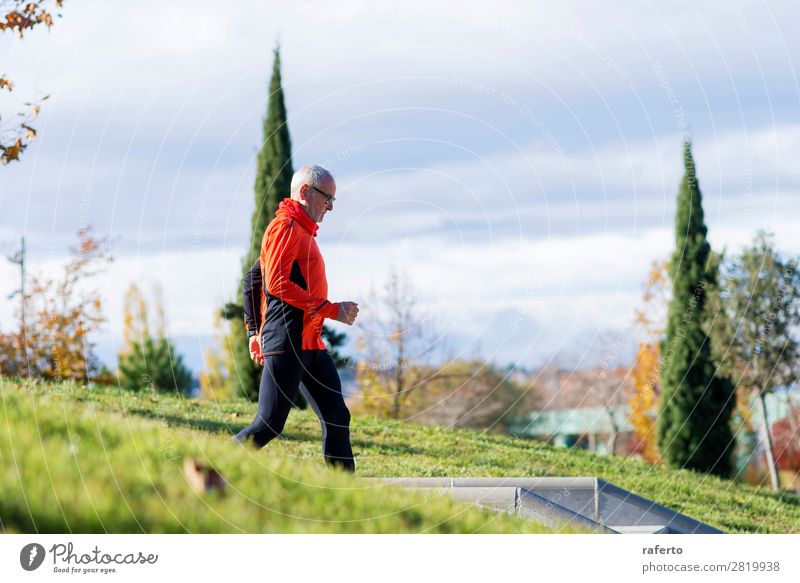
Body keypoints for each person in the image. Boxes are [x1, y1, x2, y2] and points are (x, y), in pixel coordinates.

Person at [232, 165, 359, 472]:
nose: (329, 207)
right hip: (288, 342)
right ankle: (211, 471)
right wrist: (332, 309)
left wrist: (252, 330)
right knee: (269, 424)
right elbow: (273, 283)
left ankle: (344, 494)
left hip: (310, 343)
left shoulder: (299, 230)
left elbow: (253, 279)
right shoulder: (285, 227)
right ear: (305, 192)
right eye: (326, 198)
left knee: (337, 416)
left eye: (333, 200)